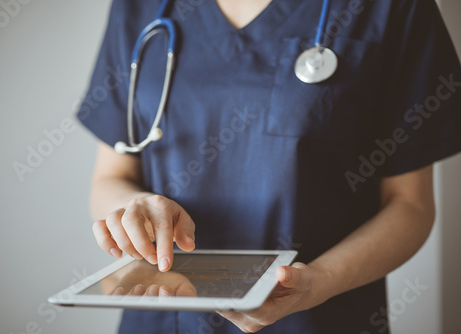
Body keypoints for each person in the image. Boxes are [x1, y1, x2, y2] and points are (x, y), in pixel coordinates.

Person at [76, 0, 461, 333]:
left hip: (320, 318)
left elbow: (410, 205)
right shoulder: (138, 8)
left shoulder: (393, 8)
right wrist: (136, 209)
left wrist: (321, 281)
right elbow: (113, 178)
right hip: (163, 317)